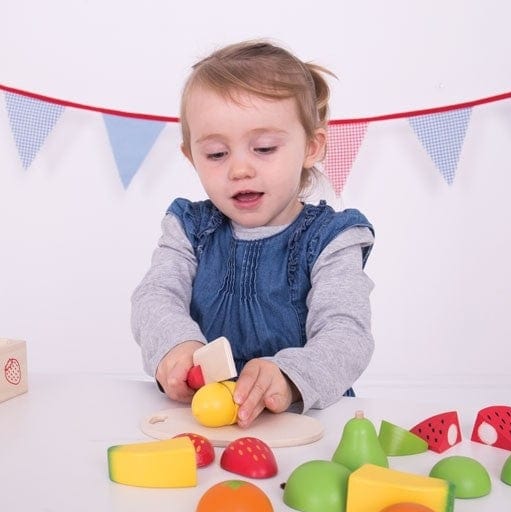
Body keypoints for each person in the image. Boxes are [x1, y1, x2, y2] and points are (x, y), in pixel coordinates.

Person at [131, 40, 375, 428]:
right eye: (215, 154)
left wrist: (291, 377)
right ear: (191, 157)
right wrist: (176, 345)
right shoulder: (188, 229)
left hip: (306, 424)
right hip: (201, 421)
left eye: (263, 148)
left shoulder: (333, 238)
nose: (239, 169)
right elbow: (156, 295)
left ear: (311, 147)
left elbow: (346, 333)